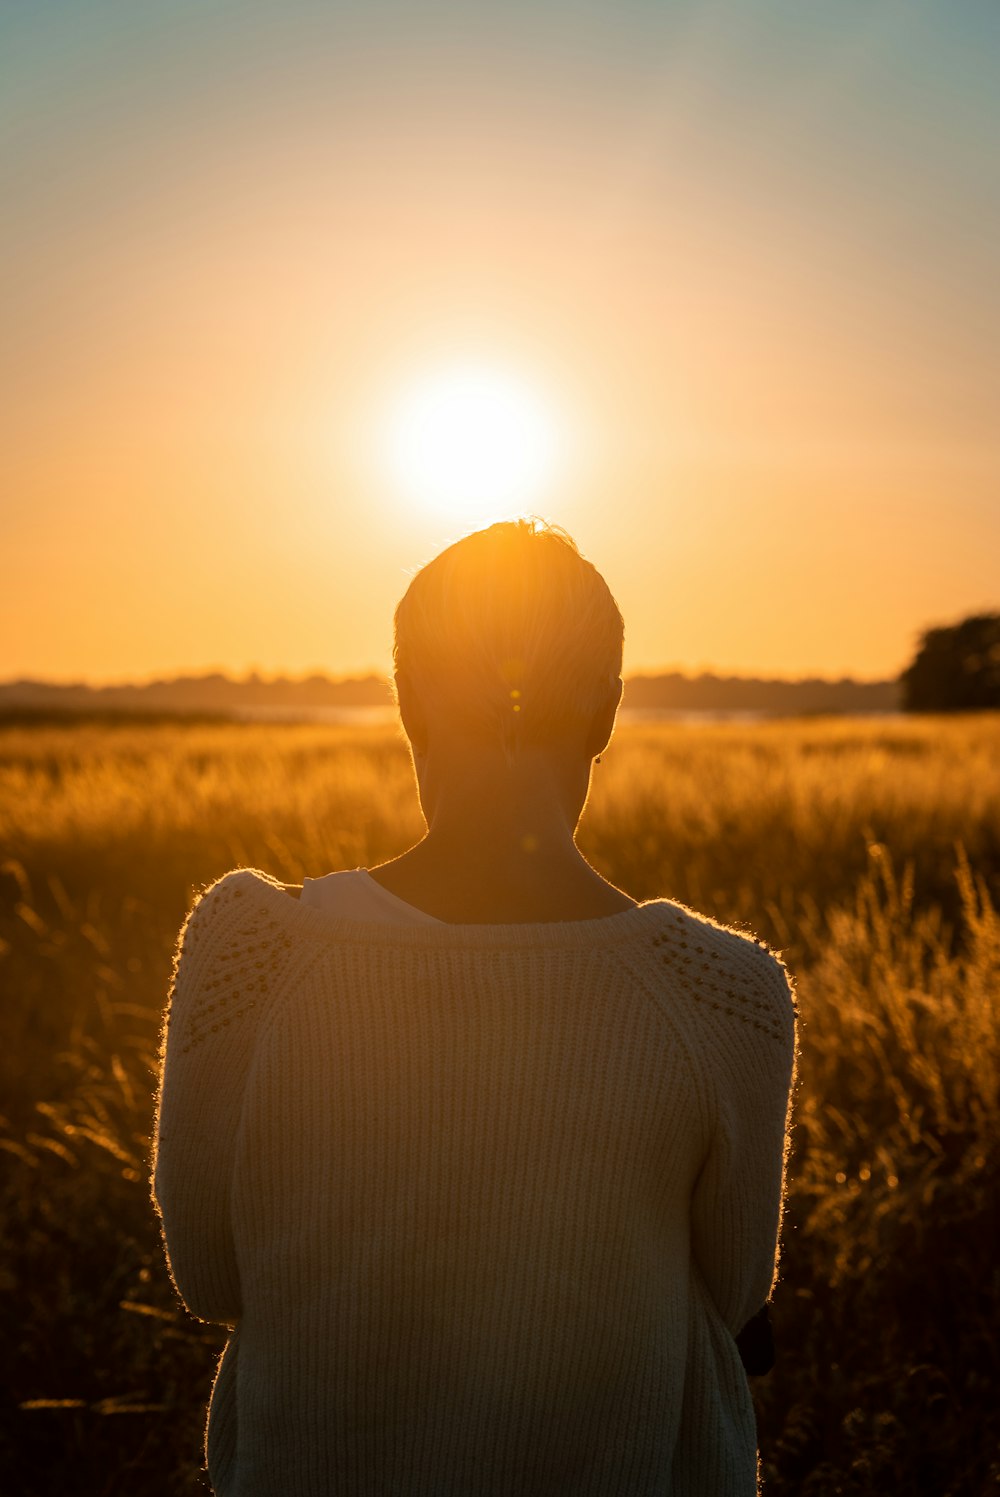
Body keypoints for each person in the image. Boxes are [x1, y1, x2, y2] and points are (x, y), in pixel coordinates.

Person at [153, 518, 797, 1497]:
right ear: (606, 711)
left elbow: (209, 1281)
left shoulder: (255, 949)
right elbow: (736, 1291)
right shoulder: (722, 991)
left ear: (407, 698)